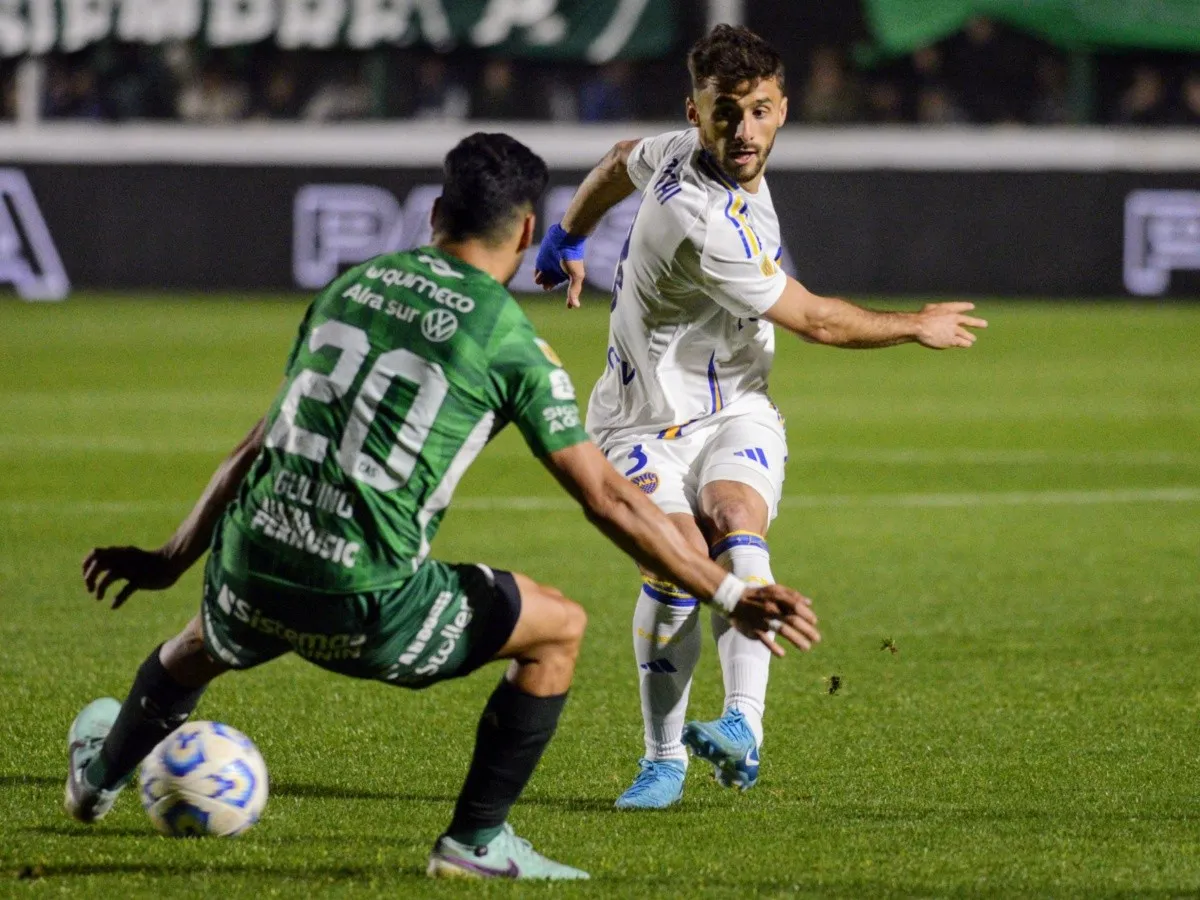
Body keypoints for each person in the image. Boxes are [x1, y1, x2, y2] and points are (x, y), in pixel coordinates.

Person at [64, 132, 821, 880]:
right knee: (558, 628)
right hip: (368, 602)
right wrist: (729, 592)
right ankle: (474, 843)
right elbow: (607, 498)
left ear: (434, 215)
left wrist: (169, 559)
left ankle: (95, 783)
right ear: (526, 232)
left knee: (197, 645)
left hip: (247, 572)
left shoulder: (351, 289)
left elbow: (257, 443)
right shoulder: (510, 342)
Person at [534, 25, 986, 810]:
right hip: (642, 423)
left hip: (737, 405)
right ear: (697, 112)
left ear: (782, 109)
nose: (744, 131)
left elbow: (616, 160)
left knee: (738, 524)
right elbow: (817, 321)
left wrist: (569, 233)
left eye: (759, 111)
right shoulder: (702, 218)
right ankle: (663, 760)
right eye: (726, 113)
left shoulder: (675, 149)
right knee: (678, 569)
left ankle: (742, 726)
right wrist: (915, 324)